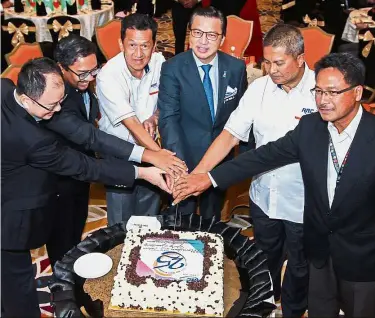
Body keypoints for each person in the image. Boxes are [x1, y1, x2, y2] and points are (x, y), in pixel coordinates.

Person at [173, 52, 375, 318]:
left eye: (333, 92)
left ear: (357, 92)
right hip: (318, 254)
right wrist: (209, 178)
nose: (323, 101)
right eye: (318, 91)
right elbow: (263, 156)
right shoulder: (311, 128)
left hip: (362, 259)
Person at [1, 58, 170, 318]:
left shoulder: (5, 88)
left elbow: (87, 135)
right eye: (52, 105)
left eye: (60, 101)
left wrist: (145, 154)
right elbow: (85, 166)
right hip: (9, 218)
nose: (58, 110)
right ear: (27, 99)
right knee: (19, 288)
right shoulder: (32, 141)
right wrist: (143, 173)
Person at [189, 24, 314, 317]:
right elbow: (230, 135)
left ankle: (294, 310)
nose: (271, 70)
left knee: (300, 265)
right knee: (263, 260)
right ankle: (263, 306)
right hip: (263, 197)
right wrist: (200, 174)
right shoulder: (259, 88)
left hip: (304, 201)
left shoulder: (318, 91)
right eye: (267, 62)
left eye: (279, 63)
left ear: (300, 57)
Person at [39, 35, 186, 267]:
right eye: (82, 73)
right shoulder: (55, 99)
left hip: (82, 174)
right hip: (56, 183)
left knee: (75, 231)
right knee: (62, 243)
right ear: (61, 68)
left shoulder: (81, 84)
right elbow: (92, 136)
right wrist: (150, 155)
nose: (89, 79)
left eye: (93, 70)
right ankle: (63, 289)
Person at [158, 6, 246, 220]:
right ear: (189, 33)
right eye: (197, 33)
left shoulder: (236, 68)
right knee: (181, 220)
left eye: (211, 35)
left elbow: (241, 116)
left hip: (219, 161)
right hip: (184, 159)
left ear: (222, 38)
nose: (203, 41)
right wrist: (179, 167)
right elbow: (169, 119)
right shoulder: (172, 68)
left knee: (212, 219)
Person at [96, 14, 177, 226]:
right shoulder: (109, 75)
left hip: (150, 145)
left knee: (149, 212)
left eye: (145, 46)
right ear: (120, 43)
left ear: (155, 45)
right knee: (122, 219)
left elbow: (167, 101)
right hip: (118, 150)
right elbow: (131, 123)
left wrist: (155, 117)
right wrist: (160, 157)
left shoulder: (160, 64)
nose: (138, 54)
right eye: (132, 45)